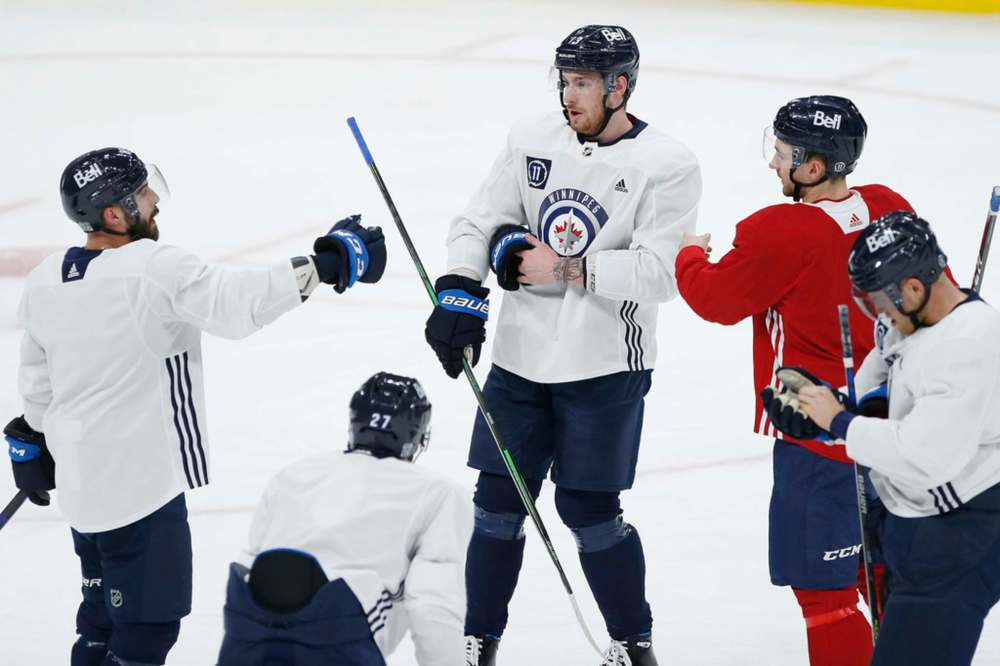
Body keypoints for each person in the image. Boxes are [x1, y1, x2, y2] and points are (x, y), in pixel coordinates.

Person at [3, 147, 386, 666]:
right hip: (141, 493)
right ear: (113, 213)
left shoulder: (49, 277)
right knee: (144, 633)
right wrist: (329, 262)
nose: (155, 199)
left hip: (84, 493)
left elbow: (37, 384)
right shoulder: (153, 267)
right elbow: (236, 304)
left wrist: (32, 438)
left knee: (99, 620)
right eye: (142, 192)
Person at [423, 24, 701, 666]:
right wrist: (459, 285)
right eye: (564, 81)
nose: (568, 96)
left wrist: (570, 269)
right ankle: (478, 644)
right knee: (495, 504)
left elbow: (663, 274)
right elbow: (479, 221)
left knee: (588, 509)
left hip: (606, 363)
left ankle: (634, 645)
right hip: (519, 361)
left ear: (619, 86)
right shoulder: (532, 137)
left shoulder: (667, 163)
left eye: (582, 83)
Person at [673, 96, 913, 666]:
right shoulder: (888, 206)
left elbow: (716, 300)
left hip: (819, 439)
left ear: (812, 167)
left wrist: (688, 255)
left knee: (824, 596)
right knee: (883, 574)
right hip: (897, 432)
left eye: (782, 154)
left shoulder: (783, 230)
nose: (773, 164)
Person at [767, 211, 1000, 666]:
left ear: (913, 288)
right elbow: (876, 402)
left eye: (877, 300)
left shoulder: (969, 344)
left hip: (963, 538)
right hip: (920, 530)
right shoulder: (909, 325)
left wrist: (839, 424)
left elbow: (923, 456)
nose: (877, 313)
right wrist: (821, 414)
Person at [216, 372, 472, 666]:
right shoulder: (439, 493)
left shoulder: (292, 475)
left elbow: (251, 568)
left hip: (248, 637)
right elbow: (432, 606)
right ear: (417, 434)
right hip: (336, 638)